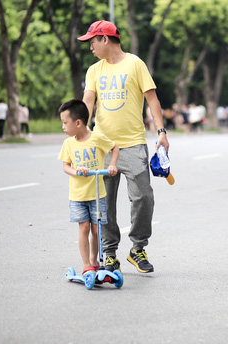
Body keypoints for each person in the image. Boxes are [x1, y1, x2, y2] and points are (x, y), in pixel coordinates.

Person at [78, 20, 169, 274]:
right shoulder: (94, 70)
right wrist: (80, 134)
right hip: (102, 147)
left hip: (133, 144)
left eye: (92, 42)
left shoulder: (135, 64)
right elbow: (87, 102)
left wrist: (161, 132)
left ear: (105, 39)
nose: (90, 48)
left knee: (143, 197)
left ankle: (137, 248)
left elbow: (152, 99)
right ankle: (109, 254)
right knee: (104, 205)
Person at [57, 99, 120, 277]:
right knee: (83, 228)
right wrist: (77, 171)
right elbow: (65, 166)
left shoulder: (97, 138)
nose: (63, 126)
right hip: (77, 195)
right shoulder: (68, 143)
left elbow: (114, 148)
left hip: (97, 194)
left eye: (64, 122)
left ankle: (95, 262)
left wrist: (112, 165)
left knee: (96, 229)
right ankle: (86, 264)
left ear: (78, 123)